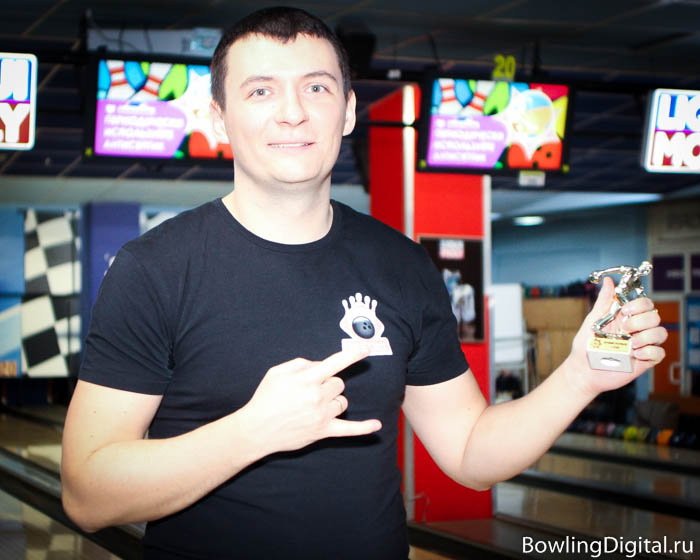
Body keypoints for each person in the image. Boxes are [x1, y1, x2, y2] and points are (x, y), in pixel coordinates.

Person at [60, 7, 667, 560]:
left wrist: (579, 377)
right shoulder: (154, 269)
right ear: (219, 118)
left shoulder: (402, 266)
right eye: (261, 90)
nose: (292, 111)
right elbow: (87, 494)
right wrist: (250, 432)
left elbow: (470, 452)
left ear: (348, 110)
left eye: (316, 87)